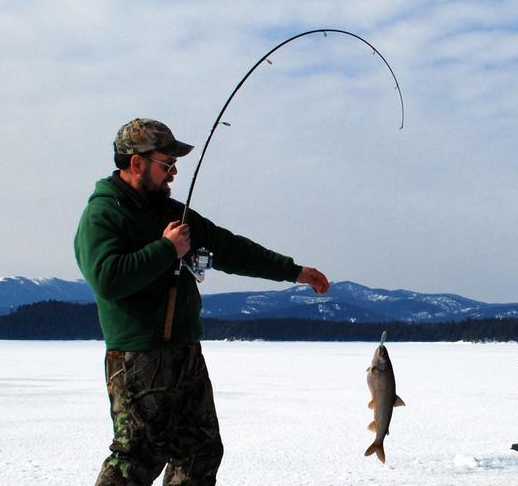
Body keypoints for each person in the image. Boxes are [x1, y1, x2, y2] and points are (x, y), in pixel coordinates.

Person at [75, 118, 329, 486]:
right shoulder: (103, 215)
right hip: (139, 357)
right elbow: (107, 279)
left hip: (184, 354)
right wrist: (167, 249)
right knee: (137, 458)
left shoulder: (170, 212)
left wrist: (295, 272)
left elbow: (229, 248)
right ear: (136, 163)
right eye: (166, 163)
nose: (174, 172)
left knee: (200, 450)